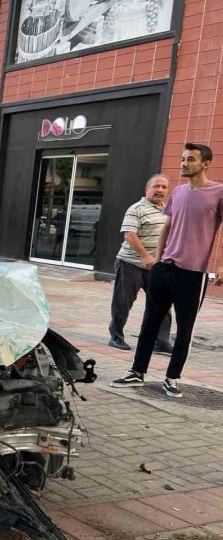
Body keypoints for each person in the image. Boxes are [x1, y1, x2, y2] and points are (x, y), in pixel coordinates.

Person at [111, 143, 223, 398]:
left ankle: (171, 378)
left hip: (193, 273)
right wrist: (159, 260)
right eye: (183, 159)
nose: (184, 163)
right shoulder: (179, 192)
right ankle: (137, 372)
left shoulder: (218, 192)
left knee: (184, 329)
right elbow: (167, 228)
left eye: (191, 159)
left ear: (205, 163)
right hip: (165, 269)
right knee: (150, 322)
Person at [107, 174, 172, 352]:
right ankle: (116, 337)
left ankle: (160, 341)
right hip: (130, 264)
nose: (160, 190)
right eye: (156, 186)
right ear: (147, 189)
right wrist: (145, 256)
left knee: (163, 303)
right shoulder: (136, 208)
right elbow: (129, 235)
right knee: (123, 303)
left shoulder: (167, 210)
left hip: (156, 266)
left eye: (164, 187)